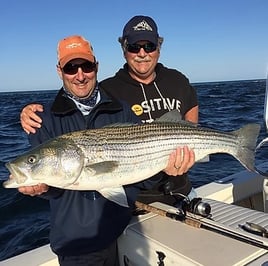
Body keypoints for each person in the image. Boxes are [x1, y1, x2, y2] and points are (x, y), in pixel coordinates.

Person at [16, 35, 195, 266]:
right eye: (71, 68)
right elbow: (52, 185)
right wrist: (40, 187)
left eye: (86, 66)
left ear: (96, 67)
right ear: (60, 71)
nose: (80, 75)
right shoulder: (42, 120)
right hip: (79, 244)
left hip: (126, 229)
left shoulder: (122, 110)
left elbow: (139, 178)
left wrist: (166, 168)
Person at [20, 15, 198, 206]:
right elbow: (78, 101)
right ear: (124, 50)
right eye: (133, 47)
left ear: (159, 49)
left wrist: (186, 154)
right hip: (139, 203)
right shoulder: (109, 92)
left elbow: (192, 127)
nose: (142, 53)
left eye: (149, 46)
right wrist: (31, 111)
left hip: (183, 189)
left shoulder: (178, 80)